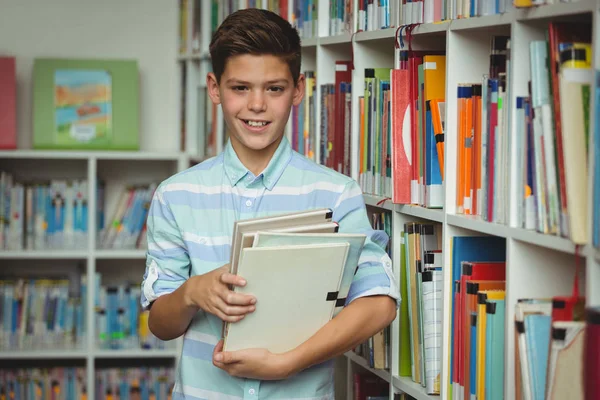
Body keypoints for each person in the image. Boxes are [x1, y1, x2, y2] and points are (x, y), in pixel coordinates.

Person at [140, 7, 399, 399]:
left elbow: (380, 303)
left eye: (274, 89)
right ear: (214, 88)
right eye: (240, 88)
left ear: (298, 89)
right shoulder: (175, 195)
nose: (257, 105)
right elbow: (161, 324)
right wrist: (193, 291)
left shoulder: (335, 193)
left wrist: (289, 361)